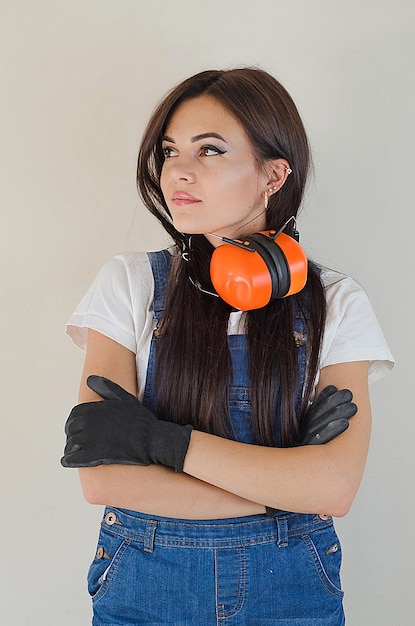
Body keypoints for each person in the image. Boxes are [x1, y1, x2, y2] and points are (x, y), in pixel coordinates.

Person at [61, 68, 394, 625]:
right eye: (169, 152)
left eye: (209, 150)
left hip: (292, 593)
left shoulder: (336, 301)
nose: (179, 172)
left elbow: (334, 488)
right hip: (145, 587)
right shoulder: (130, 284)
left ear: (273, 174)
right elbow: (104, 478)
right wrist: (286, 491)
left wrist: (160, 442)